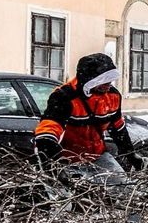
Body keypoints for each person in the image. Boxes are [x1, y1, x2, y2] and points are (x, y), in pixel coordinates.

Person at [33, 53, 139, 195]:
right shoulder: (64, 97)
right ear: (91, 80)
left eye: (111, 80)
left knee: (126, 191)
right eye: (104, 81)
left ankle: (128, 217)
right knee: (67, 202)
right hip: (68, 160)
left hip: (98, 156)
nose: (109, 85)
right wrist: (55, 167)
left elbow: (118, 129)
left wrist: (131, 155)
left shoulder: (112, 96)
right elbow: (47, 131)